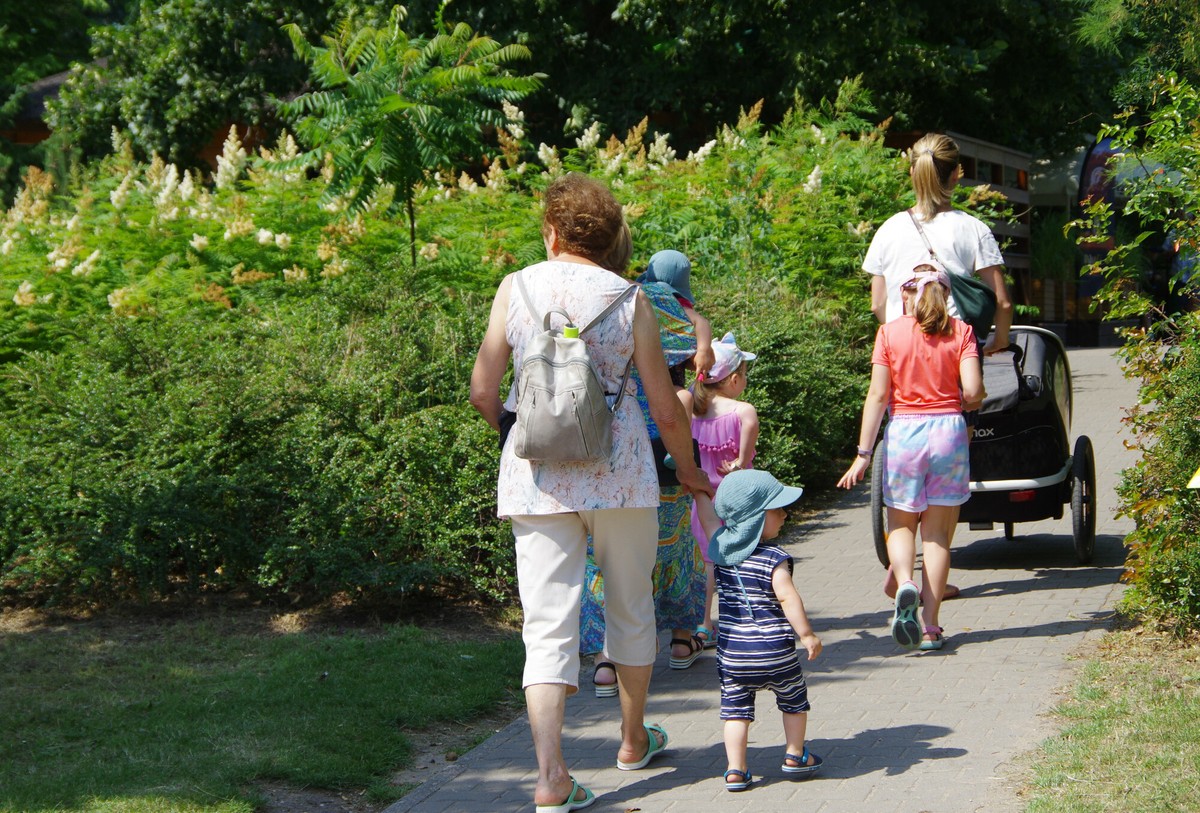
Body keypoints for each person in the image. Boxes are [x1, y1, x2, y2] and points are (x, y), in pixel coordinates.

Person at [469, 173, 712, 813]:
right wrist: (687, 470)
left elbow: (482, 391)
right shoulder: (628, 298)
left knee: (547, 626)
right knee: (632, 608)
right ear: (609, 240)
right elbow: (664, 406)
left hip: (537, 479)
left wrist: (518, 437)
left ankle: (550, 776)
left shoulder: (513, 289)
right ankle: (633, 741)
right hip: (623, 473)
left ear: (551, 231)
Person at [863, 132, 1012, 601]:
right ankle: (933, 584)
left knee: (904, 472)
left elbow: (877, 304)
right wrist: (998, 344)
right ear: (957, 174)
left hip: (900, 360)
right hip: (955, 358)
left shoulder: (888, 230)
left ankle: (904, 569)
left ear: (912, 173)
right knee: (948, 472)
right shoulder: (972, 229)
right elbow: (1002, 301)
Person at [837, 262, 984, 651]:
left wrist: (862, 454)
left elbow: (878, 396)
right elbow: (972, 391)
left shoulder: (889, 333)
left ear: (905, 295)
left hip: (904, 433)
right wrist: (966, 398)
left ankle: (905, 582)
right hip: (949, 434)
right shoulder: (962, 332)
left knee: (901, 525)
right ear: (947, 295)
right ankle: (932, 627)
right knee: (937, 536)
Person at [584, 272, 711, 694]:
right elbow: (695, 331)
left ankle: (606, 661)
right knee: (676, 550)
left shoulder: (603, 299)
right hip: (665, 467)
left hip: (607, 461)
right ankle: (680, 640)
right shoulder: (661, 308)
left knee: (603, 560)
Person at [692, 469, 823, 792]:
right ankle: (794, 755)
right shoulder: (774, 558)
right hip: (776, 650)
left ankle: (735, 770)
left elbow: (709, 522)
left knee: (735, 713)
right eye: (777, 510)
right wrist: (806, 634)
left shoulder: (720, 551)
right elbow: (787, 596)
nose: (785, 514)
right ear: (757, 518)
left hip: (734, 655)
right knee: (794, 700)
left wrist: (698, 492)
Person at [690, 334, 760, 650]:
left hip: (701, 500)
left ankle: (704, 626)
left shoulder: (693, 411)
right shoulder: (744, 412)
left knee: (707, 562)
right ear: (733, 379)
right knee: (742, 558)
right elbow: (742, 462)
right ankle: (746, 619)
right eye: (744, 375)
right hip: (737, 498)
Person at [638, 249, 716, 377]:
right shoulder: (677, 303)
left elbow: (701, 322)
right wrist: (703, 350)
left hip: (662, 368)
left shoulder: (673, 302)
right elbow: (701, 321)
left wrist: (702, 351)